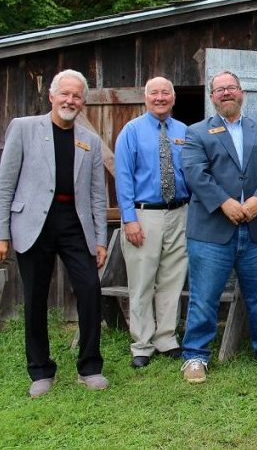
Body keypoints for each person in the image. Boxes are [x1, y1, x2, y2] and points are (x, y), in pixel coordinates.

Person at [0, 69, 109, 397]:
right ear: (51, 96)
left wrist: (101, 238)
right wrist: (2, 233)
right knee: (35, 297)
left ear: (83, 102)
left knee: (90, 290)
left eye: (77, 96)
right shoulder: (23, 128)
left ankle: (89, 367)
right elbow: (5, 183)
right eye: (65, 93)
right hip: (33, 223)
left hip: (75, 224)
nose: (70, 100)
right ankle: (41, 370)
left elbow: (97, 195)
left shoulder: (89, 140)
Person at [180, 70, 257, 383]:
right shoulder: (197, 132)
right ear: (212, 97)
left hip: (255, 227)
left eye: (231, 88)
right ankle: (195, 357)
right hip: (212, 230)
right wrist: (224, 202)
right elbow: (195, 174)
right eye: (220, 89)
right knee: (204, 296)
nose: (226, 93)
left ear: (242, 93)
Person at [114, 76, 190, 368]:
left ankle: (166, 338)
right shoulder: (131, 132)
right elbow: (122, 179)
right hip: (144, 215)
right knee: (143, 280)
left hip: (179, 212)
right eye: (154, 93)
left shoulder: (184, 131)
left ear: (173, 98)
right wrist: (129, 220)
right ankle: (142, 344)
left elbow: (191, 174)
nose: (160, 98)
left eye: (165, 93)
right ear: (145, 98)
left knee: (172, 278)